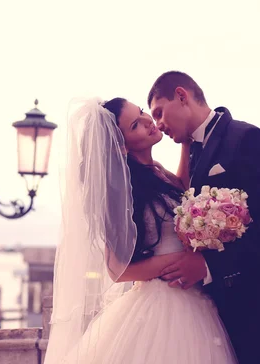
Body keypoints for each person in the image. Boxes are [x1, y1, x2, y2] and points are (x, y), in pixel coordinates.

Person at [44, 97, 237, 364]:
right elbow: (118, 269)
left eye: (143, 112)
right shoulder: (126, 191)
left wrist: (185, 141)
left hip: (189, 295)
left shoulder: (154, 171)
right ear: (121, 146)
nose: (148, 122)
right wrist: (179, 260)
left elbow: (181, 187)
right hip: (164, 302)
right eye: (136, 124)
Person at [148, 71, 260, 364]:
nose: (158, 124)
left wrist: (209, 265)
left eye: (159, 112)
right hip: (224, 309)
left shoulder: (245, 137)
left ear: (181, 95)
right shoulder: (192, 152)